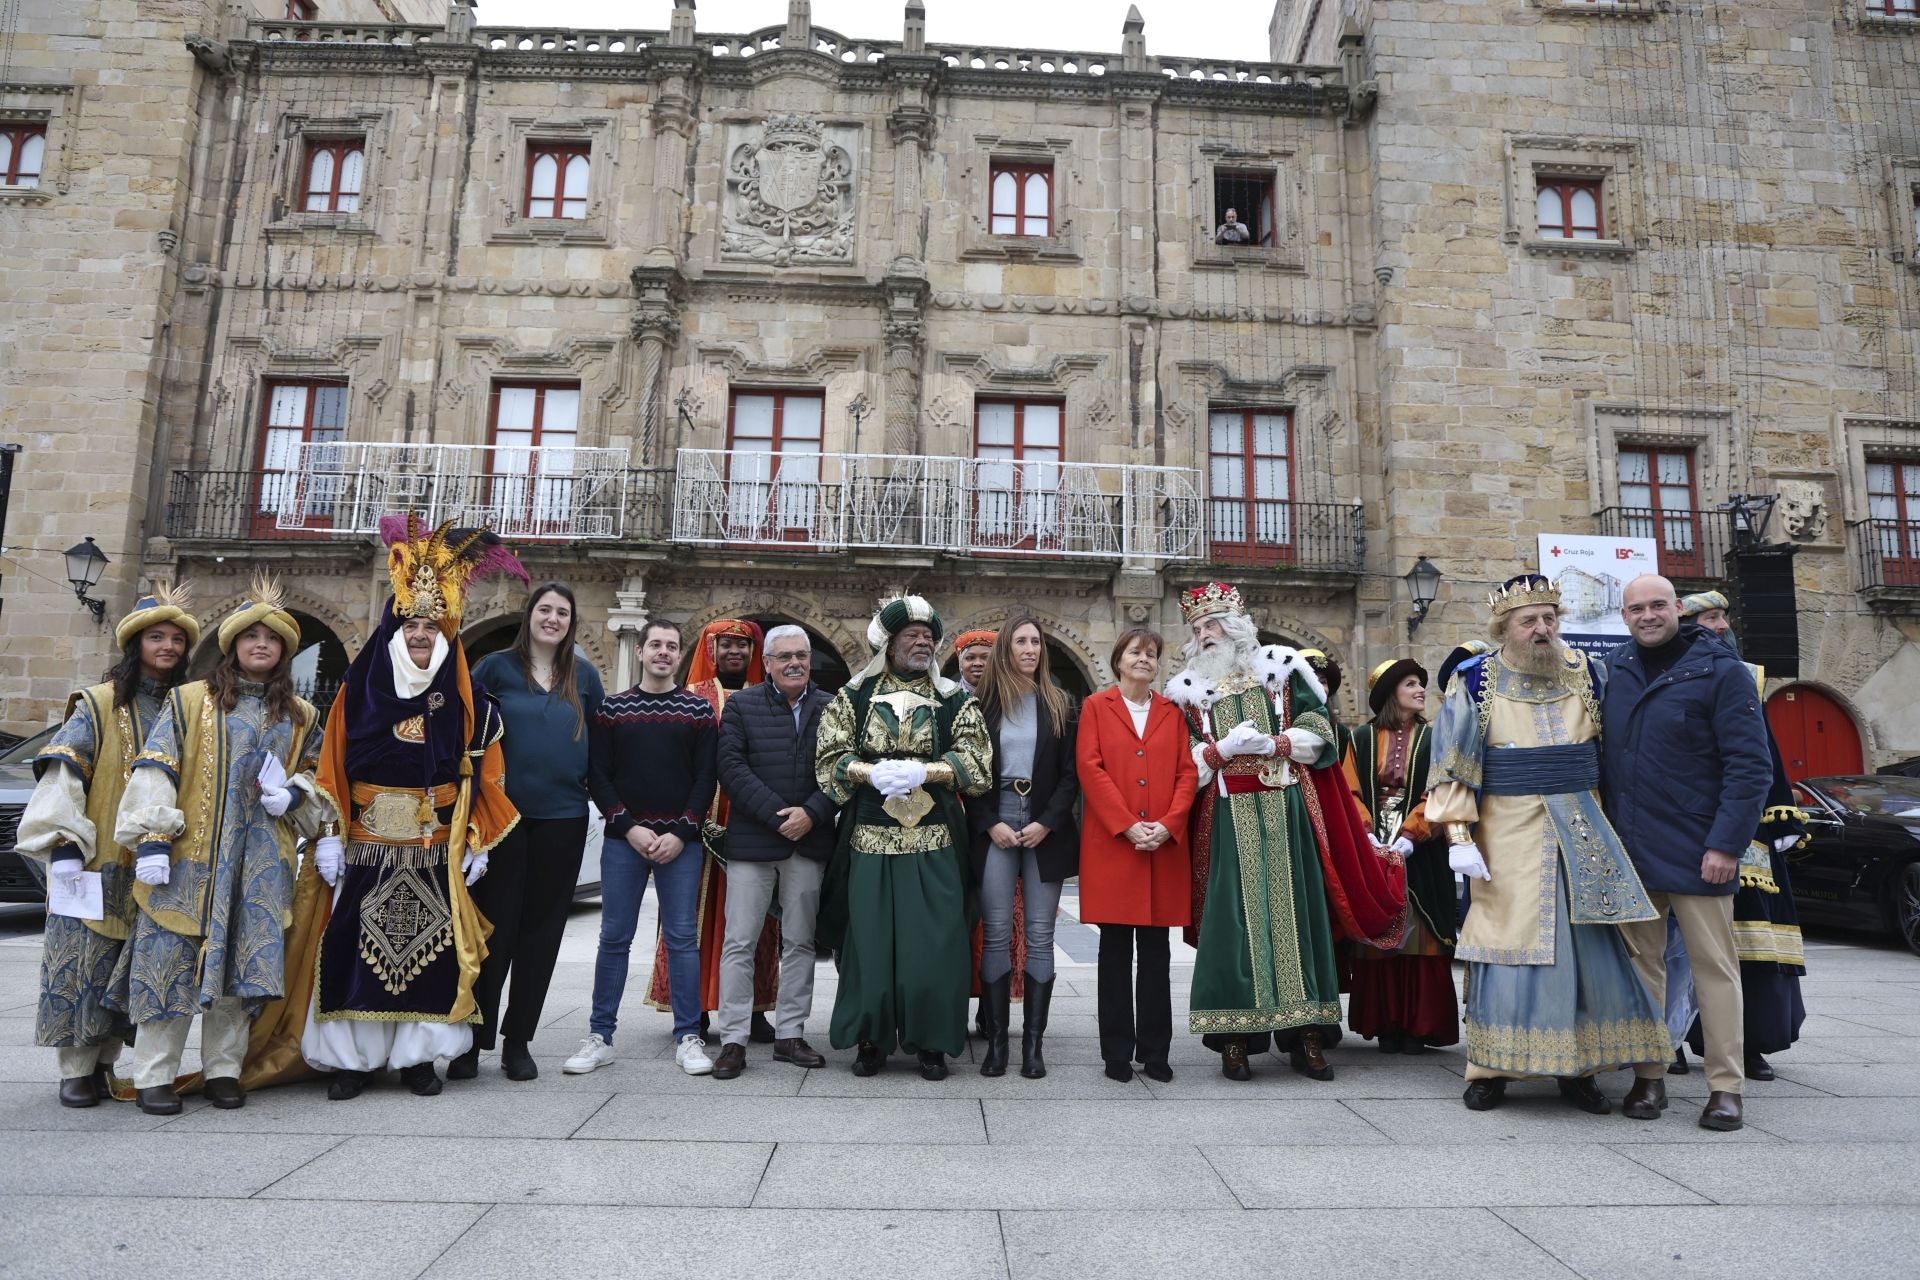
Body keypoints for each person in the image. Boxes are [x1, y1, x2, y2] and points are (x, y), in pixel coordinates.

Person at [288, 516, 524, 1100]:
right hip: (365, 842)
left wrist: (474, 839)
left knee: (431, 953)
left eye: (431, 625)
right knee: (354, 949)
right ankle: (353, 1062)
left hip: (433, 848)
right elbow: (330, 767)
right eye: (412, 624)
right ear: (396, 629)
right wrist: (329, 834)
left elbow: (485, 774)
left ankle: (420, 1059)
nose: (421, 634)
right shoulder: (356, 695)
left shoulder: (473, 703)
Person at [1428, 574, 1667, 1115]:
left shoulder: (1589, 672)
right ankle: (1491, 1069)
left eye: (1549, 619)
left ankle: (1580, 1069)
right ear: (1504, 627)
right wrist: (1458, 832)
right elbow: (1453, 759)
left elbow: (1617, 752)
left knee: (1589, 949)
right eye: (1528, 620)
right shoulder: (1475, 678)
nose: (1542, 629)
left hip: (1584, 825)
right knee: (1505, 947)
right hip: (1507, 828)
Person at [1167, 582, 1405, 1082]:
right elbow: (1182, 761)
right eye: (1196, 628)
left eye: (1211, 625)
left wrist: (1276, 743)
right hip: (1227, 818)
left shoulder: (1280, 669)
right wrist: (1220, 752)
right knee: (1233, 922)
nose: (1204, 635)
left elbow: (1322, 729)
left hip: (1288, 809)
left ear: (1235, 627)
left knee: (1298, 915)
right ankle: (1236, 1037)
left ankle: (1308, 1037)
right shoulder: (1186, 691)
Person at [112, 574, 326, 1115]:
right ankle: (155, 1073)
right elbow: (155, 765)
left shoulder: (300, 715)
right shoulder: (189, 701)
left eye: (272, 638)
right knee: (170, 963)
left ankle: (224, 1070)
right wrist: (154, 838)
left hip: (259, 863)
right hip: (190, 859)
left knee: (239, 967)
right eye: (251, 635)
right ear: (232, 646)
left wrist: (294, 797)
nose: (261, 643)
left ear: (283, 652)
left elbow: (316, 781)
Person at [17, 583, 199, 1107]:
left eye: (177, 640)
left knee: (131, 969)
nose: (168, 647)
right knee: (82, 962)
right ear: (135, 644)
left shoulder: (188, 709)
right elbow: (63, 770)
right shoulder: (97, 705)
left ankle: (108, 1063)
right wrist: (64, 841)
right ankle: (76, 1069)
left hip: (159, 862)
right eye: (157, 637)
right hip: (95, 859)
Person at [1603, 574, 1773, 1132]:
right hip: (1634, 851)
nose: (1647, 616)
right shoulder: (1616, 673)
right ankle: (1649, 1077)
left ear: (1678, 608)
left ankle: (1726, 1088)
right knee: (1643, 970)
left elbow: (1750, 769)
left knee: (1714, 973)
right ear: (1623, 616)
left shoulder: (1722, 673)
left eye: (1658, 605)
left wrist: (1727, 843)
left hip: (1703, 850)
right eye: (1636, 609)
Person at [814, 595, 992, 1080]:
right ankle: (871, 1039)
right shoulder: (853, 695)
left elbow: (977, 765)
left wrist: (928, 769)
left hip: (935, 840)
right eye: (911, 635)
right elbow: (829, 759)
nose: (922, 642)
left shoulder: (955, 698)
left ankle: (931, 1042)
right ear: (889, 642)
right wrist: (869, 774)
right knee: (869, 943)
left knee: (933, 943)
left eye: (928, 636)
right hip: (868, 839)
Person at [461, 583, 604, 1082]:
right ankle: (470, 1039)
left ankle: (518, 1040)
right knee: (492, 931)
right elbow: (466, 735)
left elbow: (602, 746)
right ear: (530, 616)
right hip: (501, 821)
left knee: (541, 934)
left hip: (563, 819)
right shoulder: (494, 668)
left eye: (562, 612)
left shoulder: (583, 676)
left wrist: (617, 811)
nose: (553, 618)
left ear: (571, 622)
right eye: (545, 609)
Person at [569, 619, 718, 1077]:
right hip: (624, 842)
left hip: (680, 843)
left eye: (672, 647)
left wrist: (682, 832)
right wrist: (630, 828)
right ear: (641, 652)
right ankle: (600, 1035)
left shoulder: (698, 713)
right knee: (614, 938)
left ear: (679, 655)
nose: (663, 652)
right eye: (655, 644)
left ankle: (689, 1036)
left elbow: (705, 779)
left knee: (681, 939)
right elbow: (599, 775)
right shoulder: (612, 711)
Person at [1676, 590, 1809, 1082]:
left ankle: (1747, 1043)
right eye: (1709, 619)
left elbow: (1763, 756)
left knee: (1749, 944)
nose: (1721, 627)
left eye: (1723, 618)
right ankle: (1672, 1039)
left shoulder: (1746, 675)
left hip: (1745, 832)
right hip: (1685, 828)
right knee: (1680, 947)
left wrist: (1781, 819)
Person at [709, 625, 837, 1079]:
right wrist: (781, 816)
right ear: (767, 662)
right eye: (784, 656)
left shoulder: (832, 707)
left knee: (800, 941)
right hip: (753, 841)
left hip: (809, 841)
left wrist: (813, 813)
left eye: (801, 655)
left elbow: (841, 770)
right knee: (739, 941)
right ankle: (733, 1040)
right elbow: (730, 767)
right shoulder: (741, 706)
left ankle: (790, 1034)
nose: (794, 663)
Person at [647, 619, 781, 1045]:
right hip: (697, 825)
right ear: (711, 650)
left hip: (751, 825)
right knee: (692, 920)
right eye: (726, 644)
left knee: (755, 923)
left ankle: (754, 1009)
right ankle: (694, 1009)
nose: (735, 652)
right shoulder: (691, 697)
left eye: (743, 645)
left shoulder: (771, 699)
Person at [1076, 627, 1197, 1083]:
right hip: (1114, 846)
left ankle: (1155, 1051)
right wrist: (1127, 824)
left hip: (1161, 848)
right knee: (1113, 953)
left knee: (1155, 956)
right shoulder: (1095, 707)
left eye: (1151, 653)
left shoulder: (1172, 713)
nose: (1144, 659)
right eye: (1135, 652)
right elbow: (1090, 767)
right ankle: (1115, 1053)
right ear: (1118, 661)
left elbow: (1187, 773)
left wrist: (1168, 824)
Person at [966, 617, 1079, 1078]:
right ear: (1006, 650)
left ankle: (1033, 1046)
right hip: (995, 824)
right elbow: (967, 773)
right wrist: (989, 822)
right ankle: (997, 1045)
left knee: (1039, 935)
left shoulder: (1061, 704)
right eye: (1021, 642)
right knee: (994, 932)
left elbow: (1073, 775)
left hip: (1042, 826)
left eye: (1035, 642)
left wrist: (1048, 823)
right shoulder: (980, 704)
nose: (1029, 649)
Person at [1342, 658, 1460, 1053]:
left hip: (1421, 851)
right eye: (1411, 683)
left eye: (1420, 684)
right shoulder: (1359, 739)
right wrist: (1364, 834)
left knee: (1423, 935)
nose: (1420, 690)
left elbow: (1442, 788)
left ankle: (1420, 1025)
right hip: (1373, 849)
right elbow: (1349, 792)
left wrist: (1413, 834)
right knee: (1378, 931)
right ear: (1391, 693)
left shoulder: (1435, 736)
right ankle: (1386, 1023)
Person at [953, 628, 996, 694]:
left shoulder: (1011, 697)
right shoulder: (948, 699)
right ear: (961, 664)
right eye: (970, 658)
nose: (978, 663)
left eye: (986, 658)